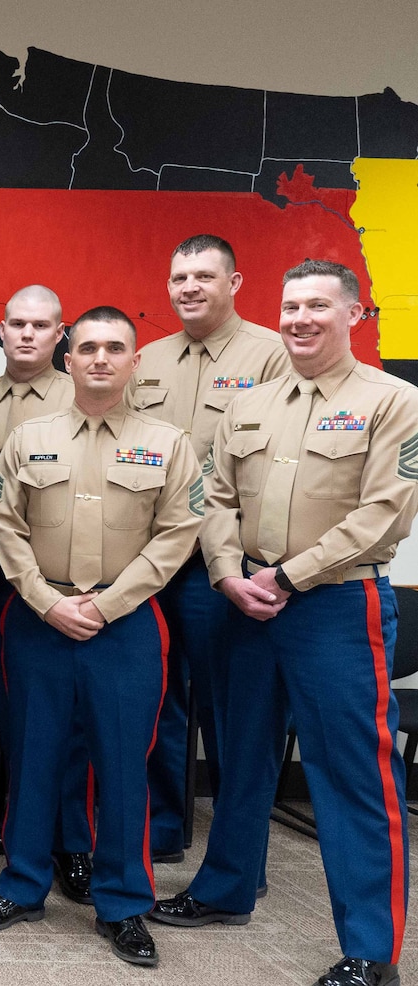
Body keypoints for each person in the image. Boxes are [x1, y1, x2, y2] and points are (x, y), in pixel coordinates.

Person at [151, 261, 413, 986]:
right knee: (238, 754)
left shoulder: (393, 401)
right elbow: (215, 496)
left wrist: (288, 576)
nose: (299, 318)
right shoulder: (248, 403)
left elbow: (382, 512)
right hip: (244, 600)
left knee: (353, 773)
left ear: (353, 315)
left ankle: (370, 950)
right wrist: (230, 573)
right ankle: (224, 888)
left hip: (332, 605)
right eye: (289, 304)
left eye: (317, 306)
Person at [0, 307, 200, 968]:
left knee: (124, 767)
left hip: (125, 627)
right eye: (87, 347)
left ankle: (123, 902)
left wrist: (109, 603)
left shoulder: (167, 443)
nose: (98, 358)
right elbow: (0, 524)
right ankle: (20, 885)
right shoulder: (28, 438)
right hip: (38, 620)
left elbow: (178, 534)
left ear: (133, 362)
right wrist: (42, 599)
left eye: (113, 348)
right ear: (68, 360)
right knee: (32, 757)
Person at [127, 235, 289, 862]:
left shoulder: (272, 356)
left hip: (221, 565)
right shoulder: (148, 359)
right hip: (151, 562)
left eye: (203, 276)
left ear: (235, 282)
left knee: (232, 708)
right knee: (157, 694)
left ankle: (236, 851)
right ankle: (166, 829)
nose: (189, 288)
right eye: (178, 278)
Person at [0, 284, 92, 902]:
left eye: (41, 325)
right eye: (16, 324)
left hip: (61, 584)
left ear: (60, 333)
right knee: (14, 708)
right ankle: (18, 827)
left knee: (71, 722)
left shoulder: (85, 396)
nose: (27, 334)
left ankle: (72, 842)